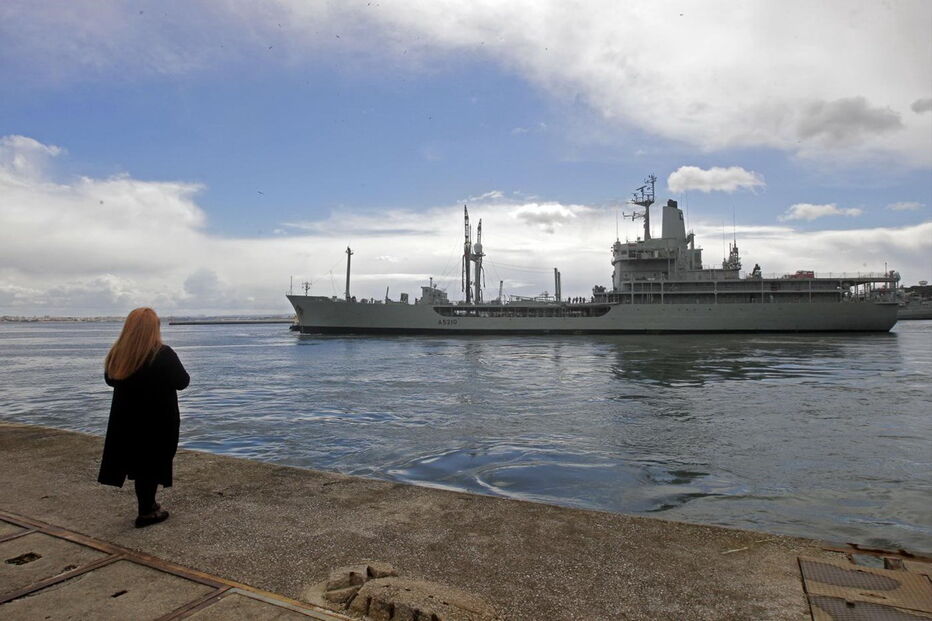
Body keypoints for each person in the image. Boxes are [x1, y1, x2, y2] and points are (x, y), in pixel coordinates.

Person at [98, 307, 189, 528]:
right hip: (158, 419)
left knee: (140, 464)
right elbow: (182, 381)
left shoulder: (118, 354)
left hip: (127, 419)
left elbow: (110, 380)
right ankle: (146, 511)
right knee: (153, 463)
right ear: (154, 329)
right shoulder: (163, 354)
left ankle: (148, 505)